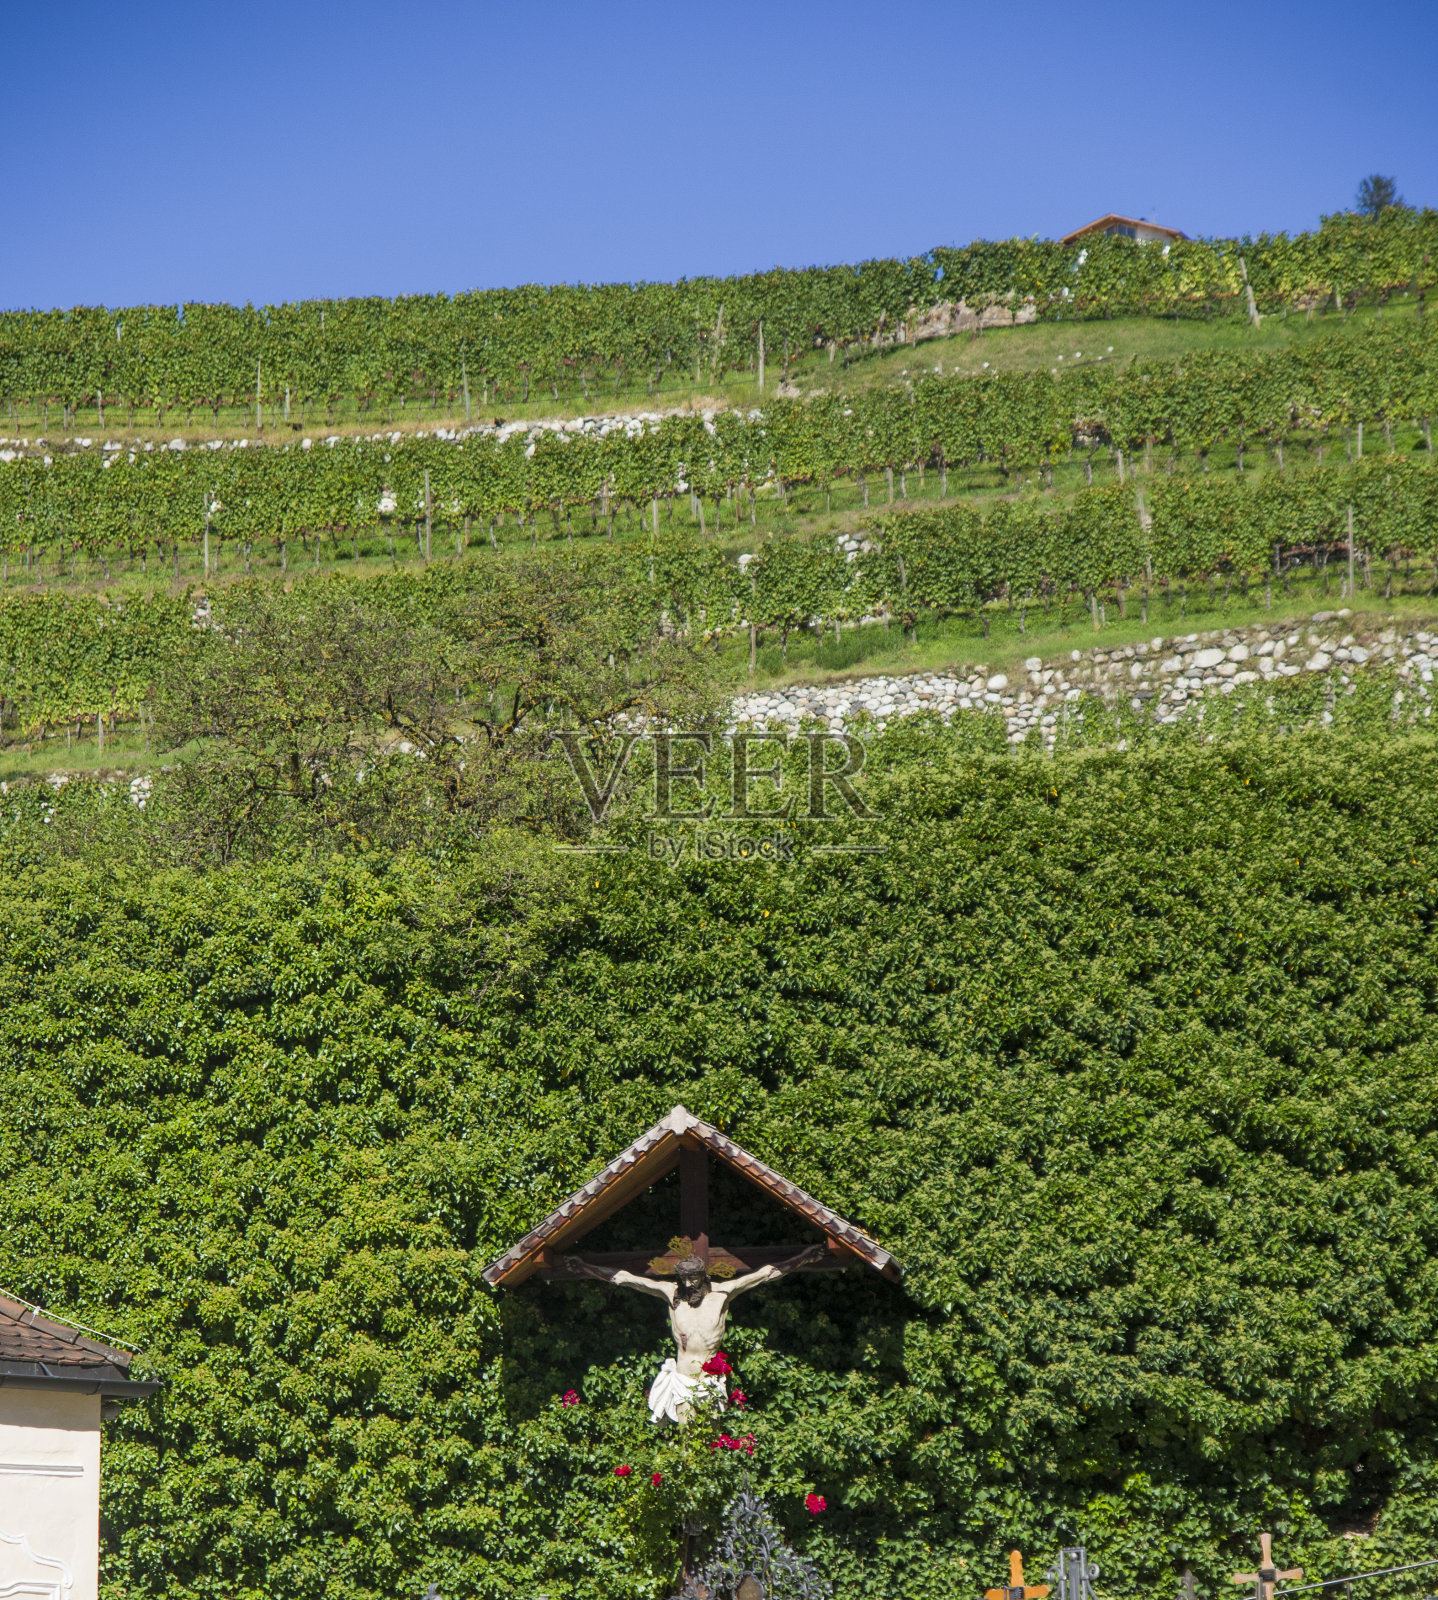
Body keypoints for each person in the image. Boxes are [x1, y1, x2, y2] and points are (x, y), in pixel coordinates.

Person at [559, 1244, 827, 1422]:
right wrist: (584, 1267)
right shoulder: (671, 1294)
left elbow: (765, 1274)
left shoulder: (723, 1293)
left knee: (710, 1432)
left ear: (704, 1276)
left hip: (711, 1376)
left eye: (694, 1278)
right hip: (684, 1375)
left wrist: (804, 1258)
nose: (689, 1284)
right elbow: (628, 1279)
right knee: (687, 1433)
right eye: (684, 1279)